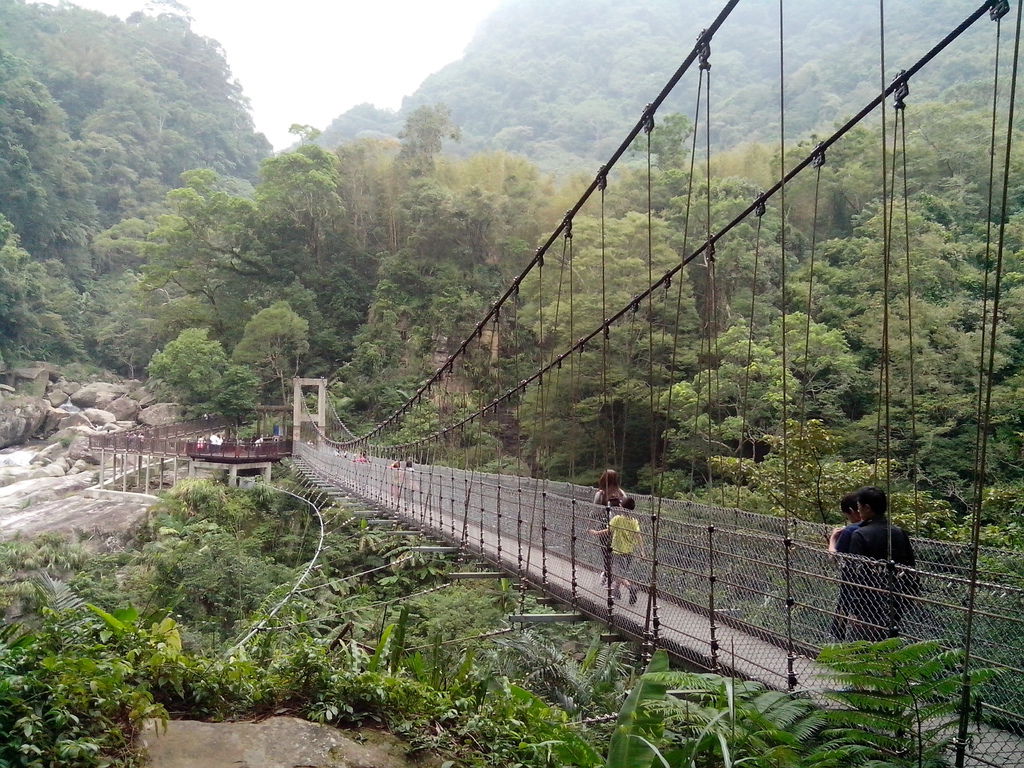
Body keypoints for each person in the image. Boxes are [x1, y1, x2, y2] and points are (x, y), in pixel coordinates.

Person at [847, 486, 917, 640]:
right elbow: (910, 566)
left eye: (859, 507)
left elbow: (855, 573)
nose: (858, 512)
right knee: (890, 639)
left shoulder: (860, 535)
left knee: (865, 643)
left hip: (868, 600)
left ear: (867, 507)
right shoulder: (898, 532)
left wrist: (854, 608)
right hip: (896, 597)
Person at [591, 499, 642, 604]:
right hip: (629, 551)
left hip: (617, 550)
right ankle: (616, 591)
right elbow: (638, 536)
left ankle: (630, 587)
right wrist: (642, 550)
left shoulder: (617, 519)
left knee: (616, 573)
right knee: (621, 572)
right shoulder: (634, 521)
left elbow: (608, 530)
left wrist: (596, 533)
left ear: (622, 508)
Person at [828, 492, 861, 640]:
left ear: (853, 511)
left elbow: (833, 557)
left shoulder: (851, 530)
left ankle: (838, 643)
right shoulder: (889, 529)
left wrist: (833, 539)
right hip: (879, 587)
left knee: (844, 611)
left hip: (851, 582)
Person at [592, 469, 628, 585]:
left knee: (606, 553)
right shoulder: (621, 493)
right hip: (620, 527)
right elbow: (627, 509)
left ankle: (608, 574)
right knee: (617, 554)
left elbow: (595, 512)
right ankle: (615, 580)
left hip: (604, 527)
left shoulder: (601, 494)